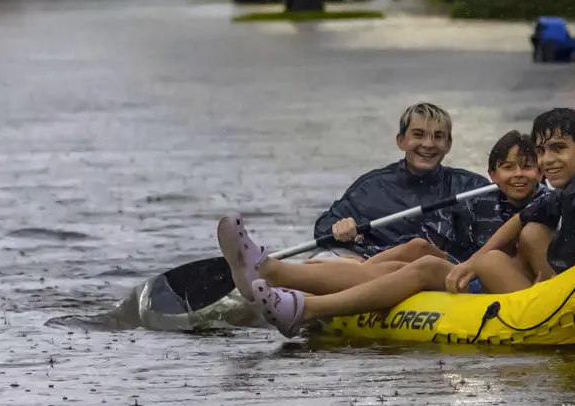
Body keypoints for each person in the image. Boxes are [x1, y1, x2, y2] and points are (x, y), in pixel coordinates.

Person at [216, 131, 545, 336]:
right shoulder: (482, 197)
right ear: (493, 173)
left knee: (420, 268)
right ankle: (274, 274)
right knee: (416, 247)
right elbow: (441, 240)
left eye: (528, 167)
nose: (519, 175)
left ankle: (293, 291)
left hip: (503, 287)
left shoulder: (546, 203)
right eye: (509, 168)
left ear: (541, 171)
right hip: (471, 272)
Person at [443, 107, 575, 295]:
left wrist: (562, 285)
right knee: (531, 232)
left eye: (558, 148)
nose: (547, 160)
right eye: (541, 151)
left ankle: (537, 307)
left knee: (489, 263)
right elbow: (522, 218)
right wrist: (471, 262)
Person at [312, 102, 489, 258]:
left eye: (438, 136)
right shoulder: (371, 188)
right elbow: (323, 227)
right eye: (418, 134)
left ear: (448, 144)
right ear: (401, 141)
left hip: (446, 276)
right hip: (376, 272)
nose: (428, 144)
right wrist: (338, 228)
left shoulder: (472, 187)